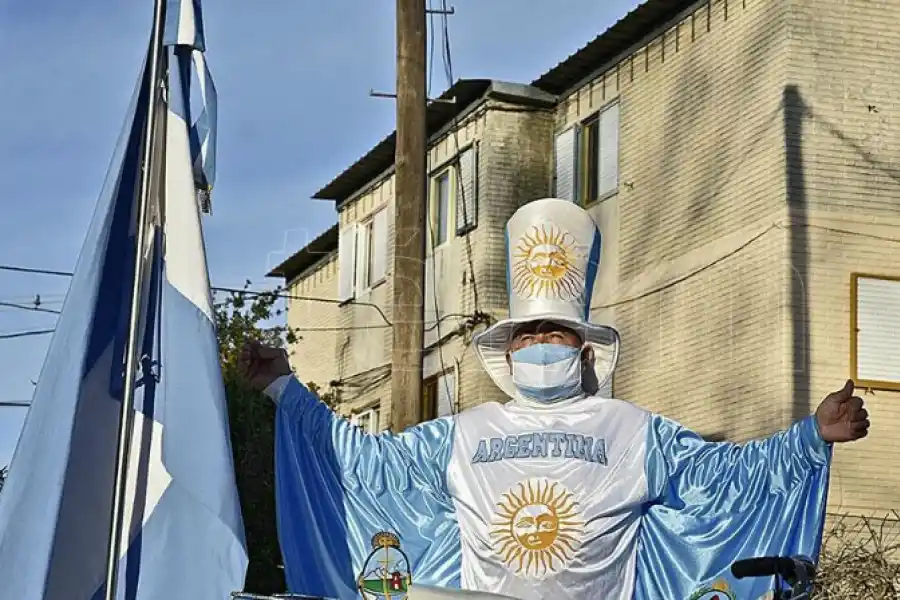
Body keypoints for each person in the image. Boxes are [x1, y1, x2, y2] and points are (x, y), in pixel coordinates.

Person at [239, 198, 869, 600]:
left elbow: (727, 478)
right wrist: (284, 388)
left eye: (554, 331)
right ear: (509, 353)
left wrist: (810, 435)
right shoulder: (463, 432)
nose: (540, 342)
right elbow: (366, 465)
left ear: (585, 348)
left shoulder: (634, 431)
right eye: (527, 333)